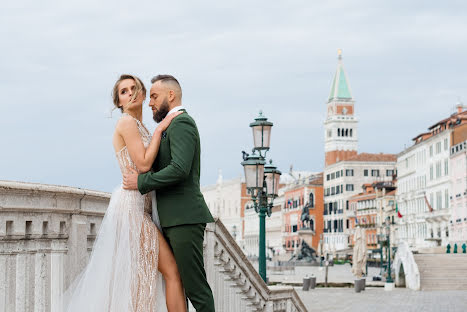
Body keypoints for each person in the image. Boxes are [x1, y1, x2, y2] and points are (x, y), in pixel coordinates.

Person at [63, 74, 186, 312]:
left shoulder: (139, 125)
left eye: (134, 88)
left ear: (141, 93)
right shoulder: (126, 123)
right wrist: (161, 130)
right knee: (166, 272)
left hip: (142, 206)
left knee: (142, 279)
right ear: (119, 101)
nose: (130, 93)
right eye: (123, 91)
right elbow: (142, 165)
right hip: (132, 207)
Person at [123, 75, 215, 312]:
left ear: (170, 95)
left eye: (154, 96)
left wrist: (141, 181)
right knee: (180, 285)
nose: (150, 102)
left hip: (184, 218)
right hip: (172, 219)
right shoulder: (168, 126)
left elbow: (180, 169)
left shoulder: (182, 123)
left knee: (197, 290)